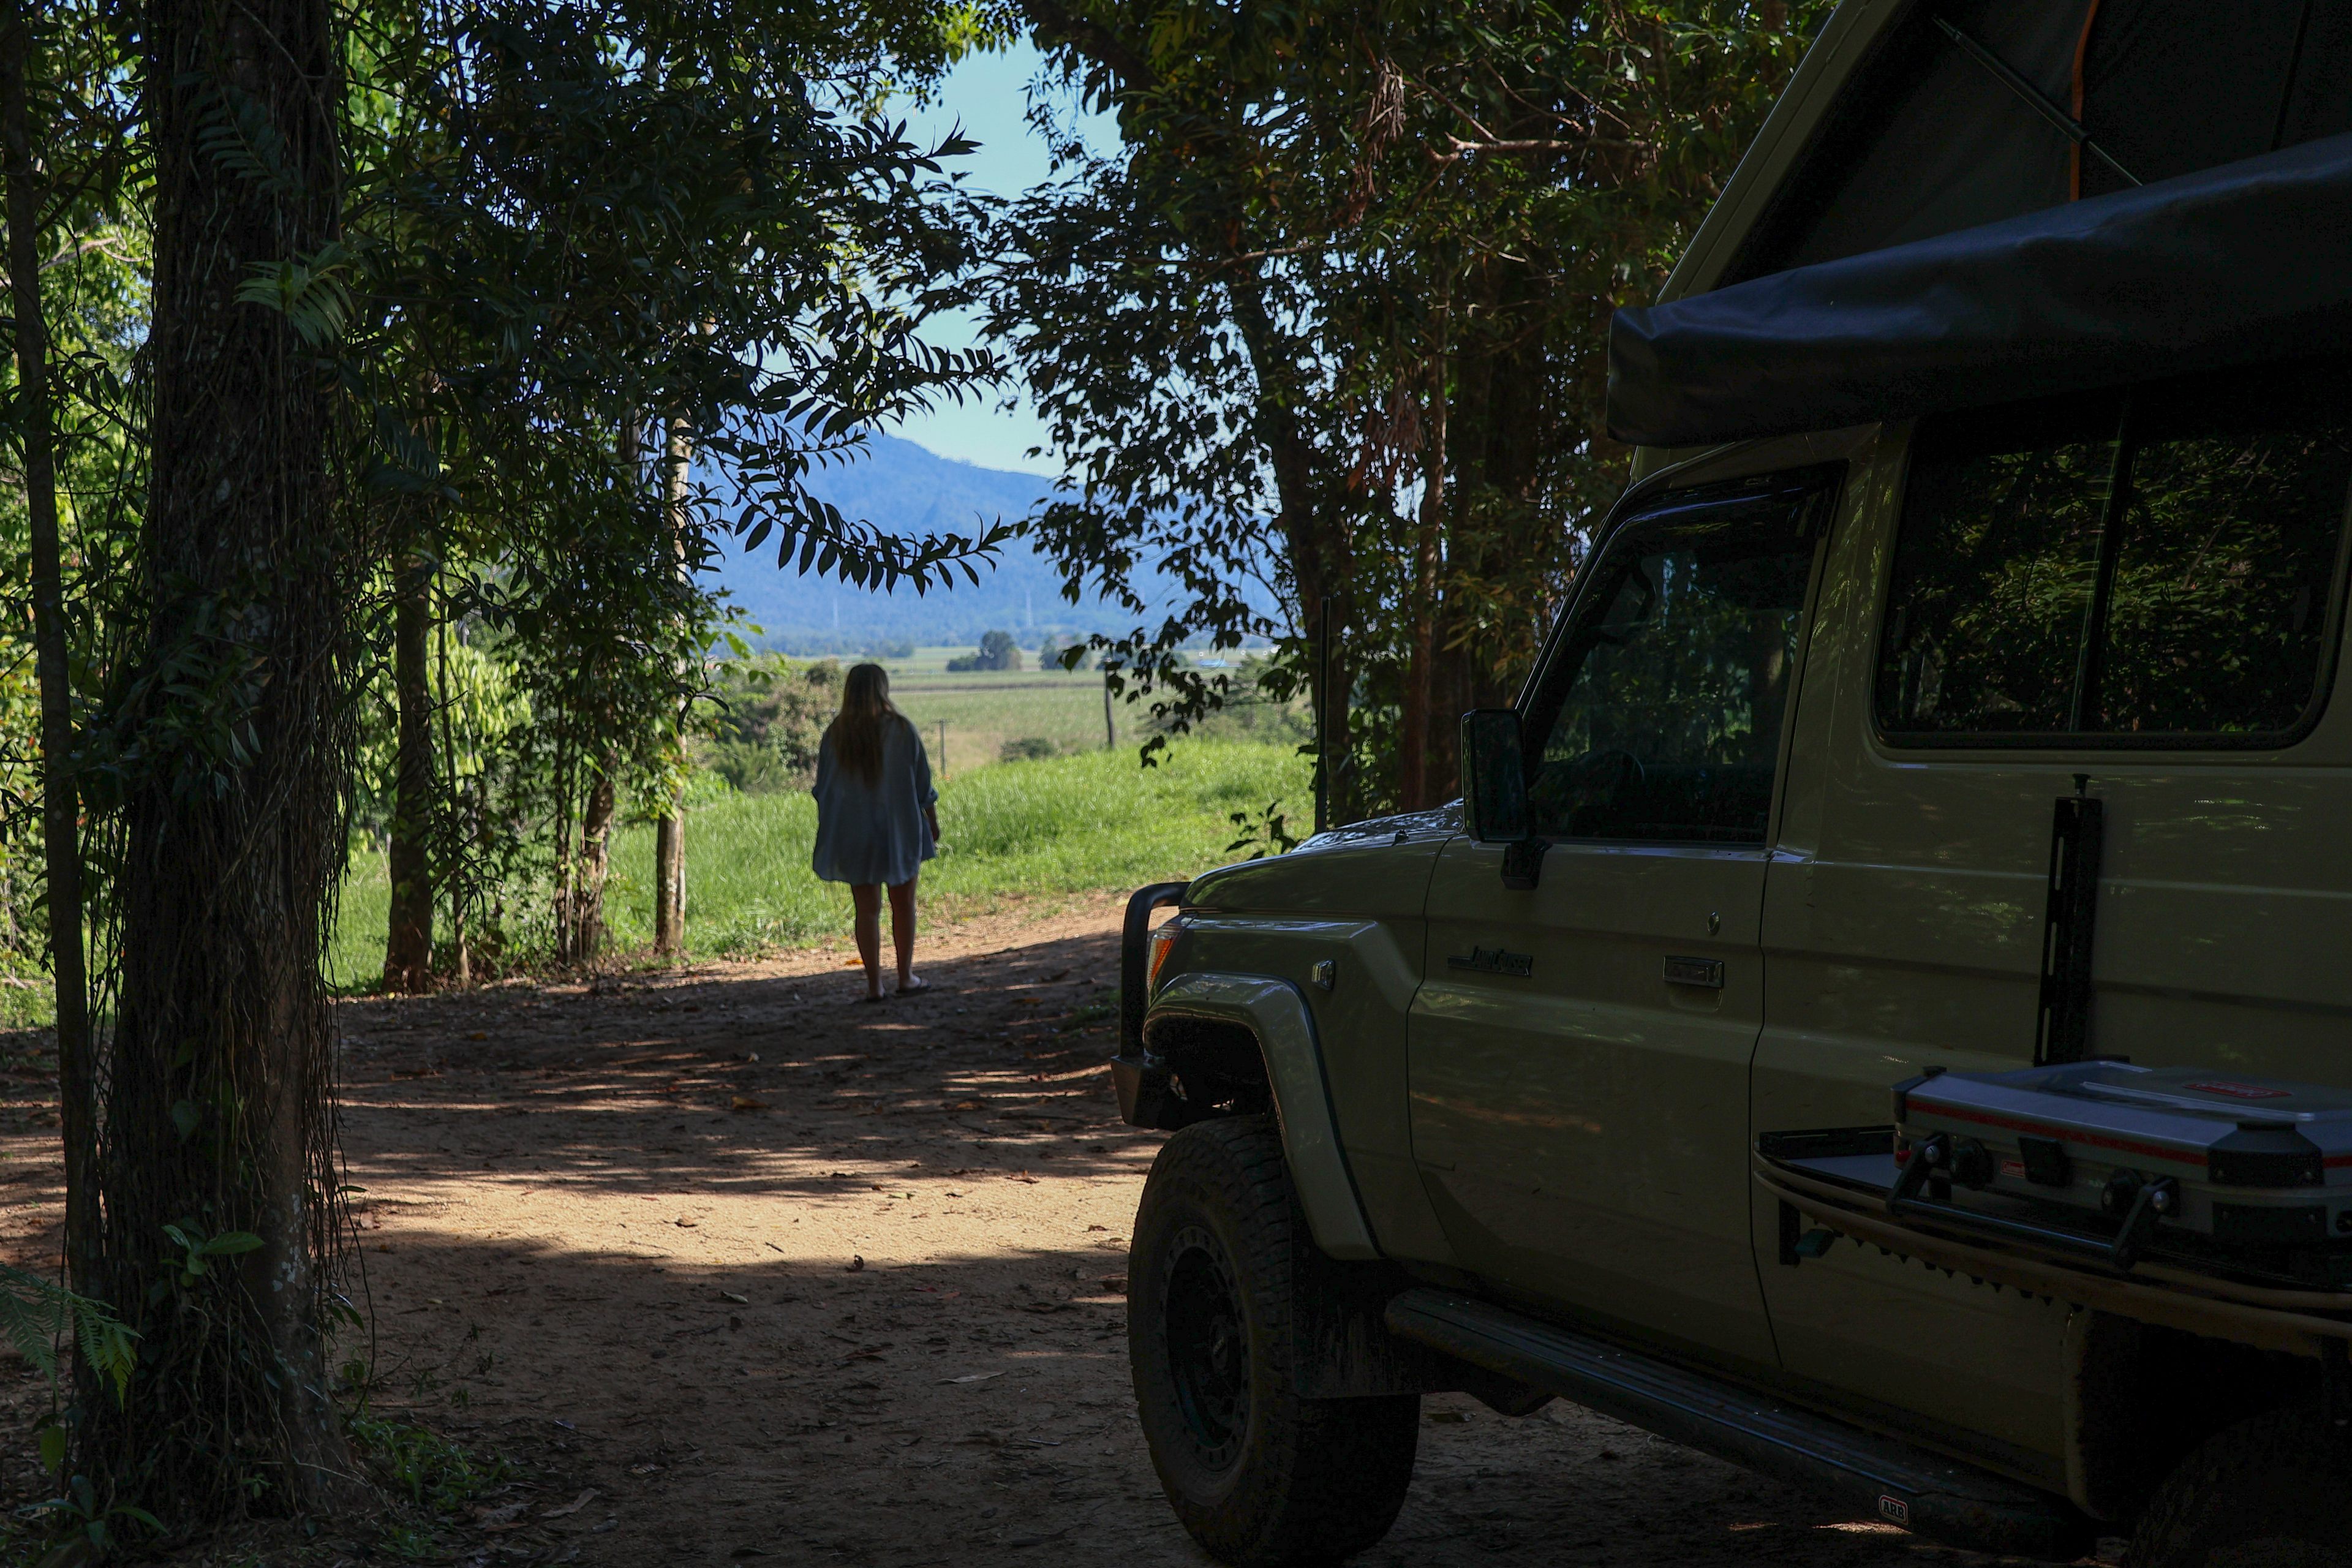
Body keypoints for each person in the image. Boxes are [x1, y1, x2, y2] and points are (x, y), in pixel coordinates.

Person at [811, 663, 941, 1001]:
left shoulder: (836, 733)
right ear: (883, 688)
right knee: (904, 905)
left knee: (866, 910)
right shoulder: (902, 729)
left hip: (855, 833)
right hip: (900, 829)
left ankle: (873, 987)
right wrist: (932, 820)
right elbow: (922, 785)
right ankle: (905, 978)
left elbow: (823, 789)